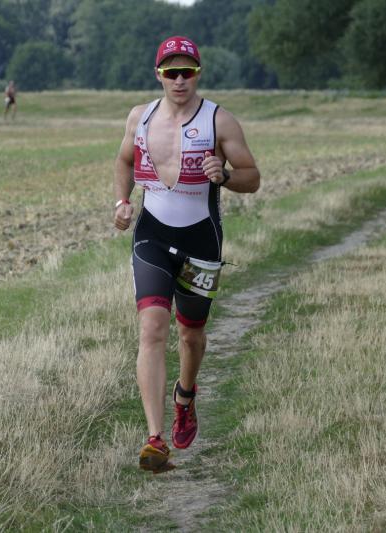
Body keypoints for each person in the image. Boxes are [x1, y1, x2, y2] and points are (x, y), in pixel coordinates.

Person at [113, 36, 260, 473]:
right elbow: (124, 161)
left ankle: (186, 395)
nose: (179, 80)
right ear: (159, 75)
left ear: (198, 74)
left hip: (201, 240)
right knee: (152, 328)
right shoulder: (139, 118)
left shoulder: (219, 121)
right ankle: (155, 440)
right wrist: (121, 202)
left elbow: (253, 177)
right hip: (152, 237)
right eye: (171, 72)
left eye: (187, 72)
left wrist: (226, 176)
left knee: (191, 335)